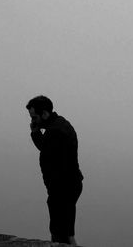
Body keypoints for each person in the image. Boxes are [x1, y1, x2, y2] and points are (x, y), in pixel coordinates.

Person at [26, 95, 84, 246]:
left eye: (34, 117)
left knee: (60, 235)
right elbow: (46, 149)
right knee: (66, 233)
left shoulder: (55, 131)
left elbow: (48, 156)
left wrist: (52, 189)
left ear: (44, 114)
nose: (33, 120)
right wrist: (36, 132)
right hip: (69, 185)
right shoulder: (60, 125)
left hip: (62, 188)